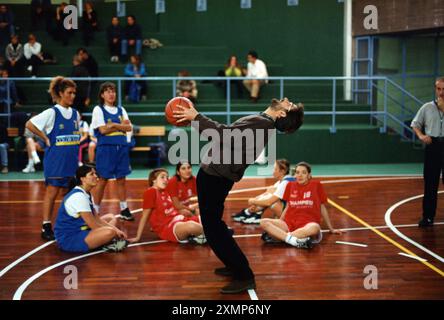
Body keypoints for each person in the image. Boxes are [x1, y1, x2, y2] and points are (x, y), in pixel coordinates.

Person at [173, 97, 304, 294]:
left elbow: (226, 135)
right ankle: (234, 265)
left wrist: (196, 117)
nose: (286, 100)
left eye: (289, 104)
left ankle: (243, 275)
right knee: (214, 225)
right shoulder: (263, 122)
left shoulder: (262, 123)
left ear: (282, 113)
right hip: (216, 175)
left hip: (215, 177)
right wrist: (196, 118)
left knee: (213, 229)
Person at [25, 76, 80, 240]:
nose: (72, 96)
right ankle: (46, 225)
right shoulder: (52, 112)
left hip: (71, 161)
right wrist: (45, 137)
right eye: (69, 93)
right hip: (56, 161)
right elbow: (29, 124)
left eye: (74, 93)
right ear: (61, 93)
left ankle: (65, 223)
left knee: (67, 193)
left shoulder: (75, 113)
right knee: (52, 192)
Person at [260, 162, 342, 247]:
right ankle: (294, 240)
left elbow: (322, 207)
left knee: (315, 227)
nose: (300, 175)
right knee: (263, 222)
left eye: (304, 172)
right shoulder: (290, 185)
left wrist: (331, 228)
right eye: (297, 172)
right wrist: (280, 221)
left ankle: (283, 238)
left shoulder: (316, 185)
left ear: (309, 175)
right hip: (289, 223)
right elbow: (288, 206)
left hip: (308, 224)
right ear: (294, 175)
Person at [55, 164, 128, 253]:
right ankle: (107, 244)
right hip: (70, 239)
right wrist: (115, 234)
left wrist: (118, 230)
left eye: (95, 174)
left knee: (111, 217)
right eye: (91, 174)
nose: (96, 176)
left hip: (81, 230)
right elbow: (93, 225)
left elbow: (96, 218)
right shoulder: (79, 196)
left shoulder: (86, 193)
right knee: (110, 232)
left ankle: (104, 242)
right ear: (83, 179)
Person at [91, 82, 133, 221]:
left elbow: (129, 128)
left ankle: (124, 209)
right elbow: (102, 130)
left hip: (121, 148)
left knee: (121, 179)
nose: (111, 94)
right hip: (106, 149)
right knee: (103, 180)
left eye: (113, 91)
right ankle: (95, 210)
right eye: (108, 91)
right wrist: (121, 126)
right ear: (102, 95)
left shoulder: (121, 109)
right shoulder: (98, 109)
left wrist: (114, 125)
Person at [129, 168, 206, 244]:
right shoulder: (151, 192)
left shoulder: (165, 191)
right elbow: (144, 217)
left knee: (208, 217)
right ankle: (210, 236)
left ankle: (201, 236)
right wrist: (138, 237)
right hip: (168, 227)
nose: (166, 180)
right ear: (154, 180)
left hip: (181, 219)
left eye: (167, 177)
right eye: (162, 177)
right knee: (191, 226)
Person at [411, 77, 444, 227]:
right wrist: (421, 135)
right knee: (430, 184)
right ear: (435, 89)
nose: (441, 92)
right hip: (433, 147)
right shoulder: (427, 107)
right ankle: (428, 217)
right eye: (439, 89)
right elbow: (415, 124)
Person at [232, 159, 294, 224]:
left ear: (282, 171)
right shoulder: (281, 182)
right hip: (287, 210)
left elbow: (268, 202)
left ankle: (252, 214)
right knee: (269, 193)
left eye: (275, 169)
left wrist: (253, 201)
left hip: (290, 215)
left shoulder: (286, 183)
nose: (273, 171)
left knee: (271, 199)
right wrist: (256, 201)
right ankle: (250, 213)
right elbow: (266, 194)